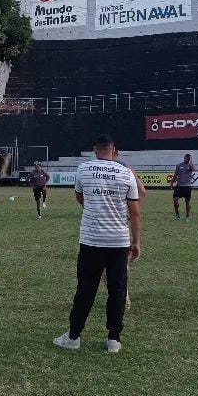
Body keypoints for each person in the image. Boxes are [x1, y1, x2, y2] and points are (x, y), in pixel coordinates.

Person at [54, 135, 144, 354]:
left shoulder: (84, 169)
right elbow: (134, 212)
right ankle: (114, 339)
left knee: (85, 290)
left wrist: (95, 208)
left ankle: (74, 336)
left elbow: (79, 198)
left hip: (91, 240)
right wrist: (136, 242)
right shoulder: (125, 173)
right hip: (119, 240)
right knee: (117, 290)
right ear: (114, 150)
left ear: (95, 150)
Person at [170, 153, 196, 221]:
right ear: (184, 157)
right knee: (175, 200)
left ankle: (187, 216)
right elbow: (175, 175)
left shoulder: (190, 165)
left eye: (189, 158)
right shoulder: (179, 165)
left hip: (187, 186)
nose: (187, 159)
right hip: (179, 186)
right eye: (186, 157)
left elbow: (193, 169)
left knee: (187, 202)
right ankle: (177, 215)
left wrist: (191, 161)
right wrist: (172, 183)